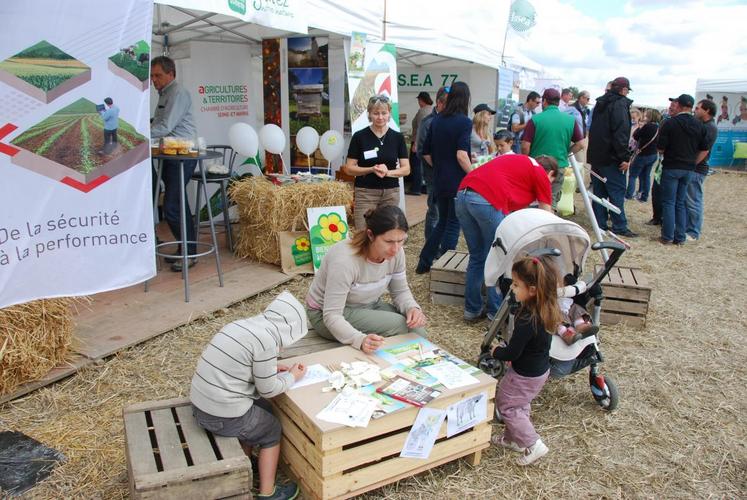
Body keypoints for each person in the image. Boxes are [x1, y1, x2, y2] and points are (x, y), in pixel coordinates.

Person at [190, 291, 306, 500]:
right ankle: (268, 492)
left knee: (264, 409)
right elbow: (268, 389)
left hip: (201, 404)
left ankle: (246, 461)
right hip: (220, 416)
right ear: (288, 328)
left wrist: (271, 367)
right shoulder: (266, 341)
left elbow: (240, 365)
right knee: (271, 429)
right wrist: (293, 377)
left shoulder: (241, 326)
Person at [306, 205, 427, 353]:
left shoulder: (397, 253)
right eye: (388, 242)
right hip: (325, 314)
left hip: (366, 305)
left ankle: (416, 368)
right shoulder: (345, 260)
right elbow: (331, 316)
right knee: (400, 324)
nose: (395, 249)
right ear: (370, 235)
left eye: (401, 240)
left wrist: (412, 308)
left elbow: (400, 291)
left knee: (416, 327)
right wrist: (359, 339)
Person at [455, 155, 557, 321]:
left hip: (463, 194)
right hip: (486, 199)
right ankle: (496, 313)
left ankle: (472, 309)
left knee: (477, 256)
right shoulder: (539, 172)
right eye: (551, 181)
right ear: (551, 173)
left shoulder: (520, 165)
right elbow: (545, 213)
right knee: (499, 257)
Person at [491, 255, 561, 466]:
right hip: (539, 372)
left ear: (532, 290)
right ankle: (513, 439)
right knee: (520, 405)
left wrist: (496, 352)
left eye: (515, 284)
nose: (512, 288)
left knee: (508, 407)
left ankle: (533, 443)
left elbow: (513, 352)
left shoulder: (526, 319)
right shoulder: (545, 309)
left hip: (523, 375)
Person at [416, 81, 473, 274]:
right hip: (457, 181)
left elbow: (425, 152)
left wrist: (441, 166)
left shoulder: (437, 120)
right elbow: (461, 155)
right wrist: (474, 174)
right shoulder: (465, 122)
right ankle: (446, 264)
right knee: (452, 224)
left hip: (439, 178)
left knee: (441, 222)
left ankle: (424, 262)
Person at [150, 56, 198, 272]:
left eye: (158, 75)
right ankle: (186, 249)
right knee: (177, 204)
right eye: (151, 76)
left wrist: (138, 135)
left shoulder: (177, 93)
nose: (154, 80)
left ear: (171, 74)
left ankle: (190, 252)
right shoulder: (165, 93)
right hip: (171, 154)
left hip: (182, 155)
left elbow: (166, 126)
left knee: (172, 205)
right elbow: (160, 124)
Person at [344, 95, 410, 230]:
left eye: (384, 113)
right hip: (366, 192)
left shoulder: (397, 137)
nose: (380, 117)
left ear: (389, 113)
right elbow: (349, 168)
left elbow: (406, 169)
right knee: (363, 233)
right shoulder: (359, 137)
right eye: (376, 113)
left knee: (388, 232)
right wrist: (371, 169)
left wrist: (388, 172)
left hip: (391, 193)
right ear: (369, 114)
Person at [587, 76, 637, 238]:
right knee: (616, 191)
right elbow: (620, 133)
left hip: (597, 156)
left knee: (599, 192)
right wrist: (625, 157)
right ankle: (619, 225)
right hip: (611, 158)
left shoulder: (600, 103)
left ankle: (599, 223)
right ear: (624, 90)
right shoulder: (620, 105)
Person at [656, 94, 710, 245]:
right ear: (691, 107)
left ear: (679, 105)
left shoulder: (670, 123)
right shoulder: (699, 125)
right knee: (680, 203)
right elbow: (705, 148)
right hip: (688, 168)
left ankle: (667, 236)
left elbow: (660, 148)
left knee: (669, 202)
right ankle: (680, 237)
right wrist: (693, 162)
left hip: (672, 166)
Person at [521, 88, 584, 208]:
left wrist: (526, 160)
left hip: (536, 166)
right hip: (558, 165)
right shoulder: (570, 120)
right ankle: (549, 220)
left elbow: (525, 146)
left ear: (544, 101)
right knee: (551, 200)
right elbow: (581, 144)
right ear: (558, 102)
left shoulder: (535, 119)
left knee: (532, 200)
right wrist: (566, 153)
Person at [417, 87, 449, 240]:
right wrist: (439, 167)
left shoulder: (447, 120)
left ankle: (439, 244)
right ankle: (431, 245)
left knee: (444, 212)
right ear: (439, 103)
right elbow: (422, 151)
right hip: (433, 174)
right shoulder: (428, 122)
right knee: (434, 210)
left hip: (445, 174)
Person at [685, 99, 718, 241]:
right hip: (694, 167)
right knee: (688, 200)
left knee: (693, 201)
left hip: (697, 169)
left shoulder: (710, 127)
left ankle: (693, 232)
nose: (695, 110)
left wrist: (692, 164)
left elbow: (704, 150)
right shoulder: (702, 124)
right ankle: (688, 228)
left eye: (698, 108)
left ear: (707, 111)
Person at [626, 109, 662, 202]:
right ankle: (644, 196)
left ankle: (629, 194)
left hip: (643, 154)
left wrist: (639, 127)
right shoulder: (659, 127)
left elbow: (635, 136)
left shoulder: (647, 126)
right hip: (653, 155)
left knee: (633, 175)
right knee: (646, 176)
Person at [408, 91, 433, 195]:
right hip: (428, 142)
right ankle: (424, 187)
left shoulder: (423, 111)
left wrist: (415, 144)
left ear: (422, 100)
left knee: (416, 165)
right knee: (424, 166)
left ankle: (416, 188)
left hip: (419, 141)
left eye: (419, 100)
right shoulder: (432, 110)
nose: (418, 102)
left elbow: (420, 128)